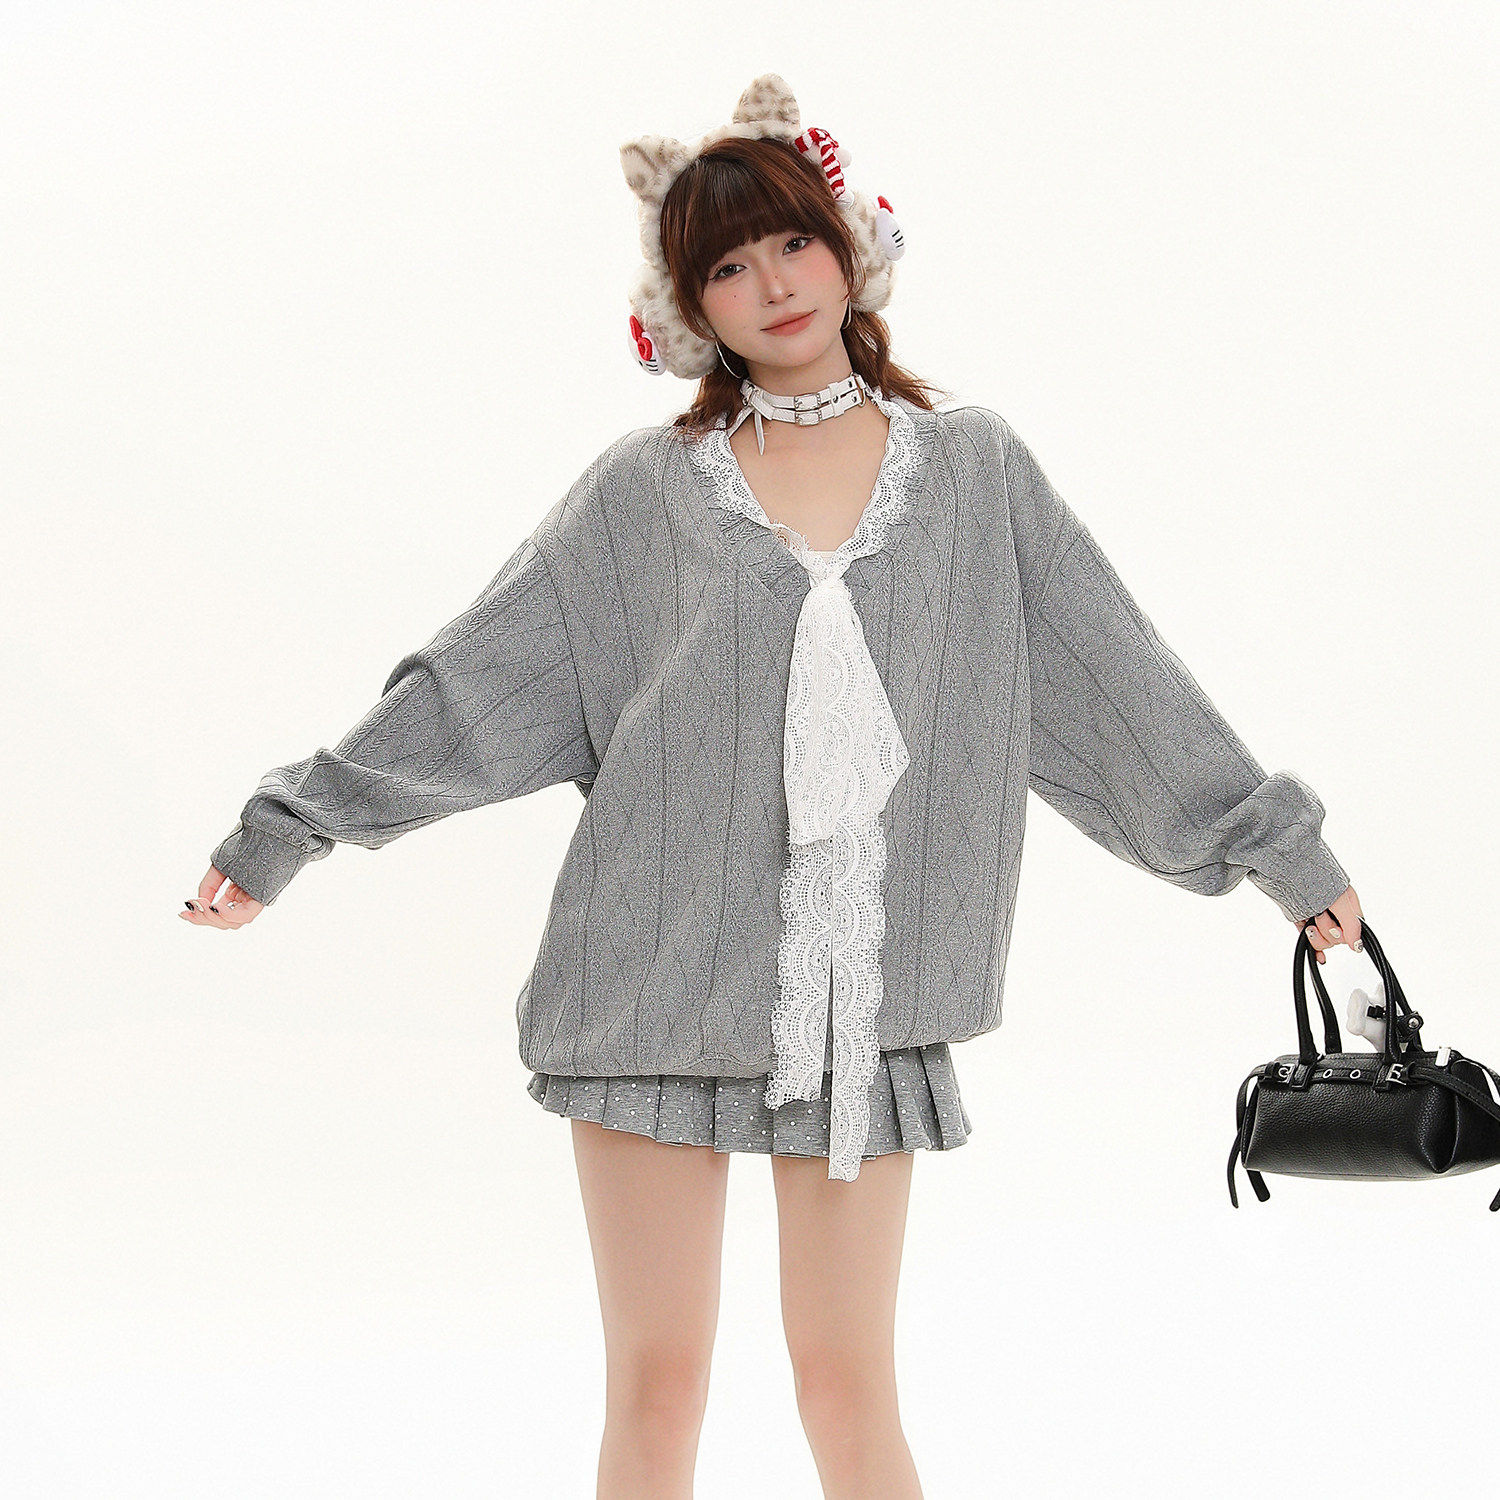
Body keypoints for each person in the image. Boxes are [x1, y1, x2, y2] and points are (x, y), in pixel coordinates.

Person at [182, 74, 1363, 1500]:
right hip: (648, 982)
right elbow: (473, 684)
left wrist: (1275, 850)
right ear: (691, 310)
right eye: (729, 266)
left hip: (862, 994)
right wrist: (291, 827)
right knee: (659, 1386)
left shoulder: (974, 473)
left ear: (849, 246)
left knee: (844, 1383)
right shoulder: (642, 494)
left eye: (793, 242)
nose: (775, 284)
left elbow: (1116, 680)